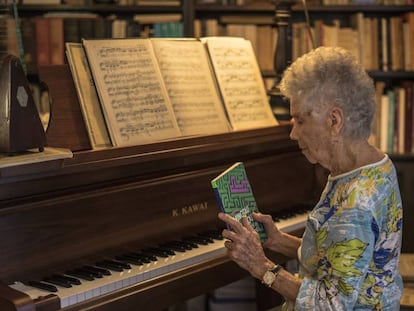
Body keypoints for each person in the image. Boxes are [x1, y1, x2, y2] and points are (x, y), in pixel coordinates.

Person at [218, 46, 403, 310]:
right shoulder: (373, 165)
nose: (293, 134)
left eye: (300, 121)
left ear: (334, 120)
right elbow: (344, 259)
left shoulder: (356, 202)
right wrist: (279, 241)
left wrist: (263, 267)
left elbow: (332, 304)